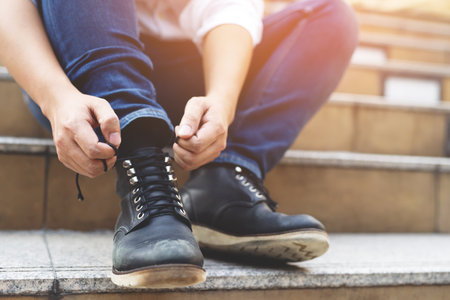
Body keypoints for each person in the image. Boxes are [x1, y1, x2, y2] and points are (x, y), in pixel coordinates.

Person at [0, 0, 358, 289]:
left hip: (185, 65)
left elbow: (228, 9)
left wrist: (221, 100)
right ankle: (141, 161)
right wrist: (54, 97)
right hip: (73, 71)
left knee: (331, 15)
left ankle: (225, 180)